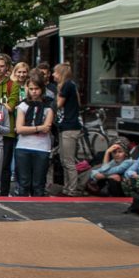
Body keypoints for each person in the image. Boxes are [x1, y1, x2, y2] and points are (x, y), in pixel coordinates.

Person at [15, 72, 55, 197]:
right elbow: (19, 129)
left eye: (36, 88)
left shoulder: (49, 105)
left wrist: (31, 129)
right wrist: (39, 127)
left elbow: (47, 128)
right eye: (31, 89)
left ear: (42, 89)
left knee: (38, 185)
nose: (34, 92)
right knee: (24, 184)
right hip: (23, 147)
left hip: (42, 147)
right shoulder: (23, 105)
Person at [54, 62, 83, 196]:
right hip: (67, 127)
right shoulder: (71, 85)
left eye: (55, 72)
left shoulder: (67, 85)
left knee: (68, 160)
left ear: (61, 73)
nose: (53, 75)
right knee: (64, 159)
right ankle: (68, 187)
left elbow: (58, 104)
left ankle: (71, 188)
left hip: (69, 128)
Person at [0, 53, 19, 197]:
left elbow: (11, 106)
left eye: (2, 66)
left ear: (7, 68)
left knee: (4, 166)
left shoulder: (12, 85)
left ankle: (3, 192)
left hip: (7, 131)